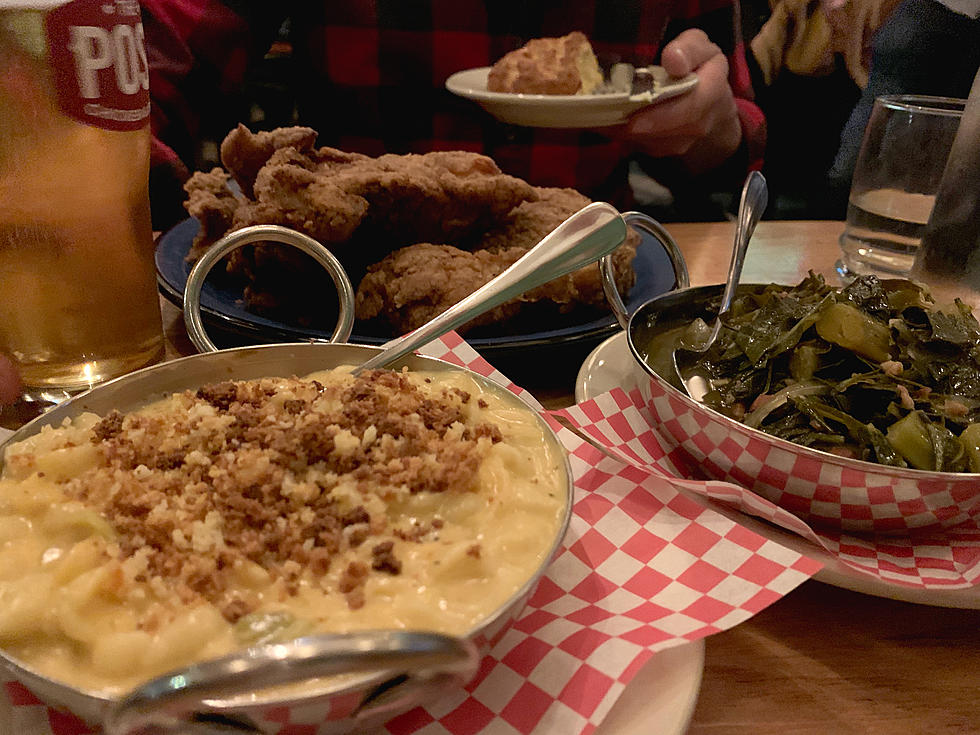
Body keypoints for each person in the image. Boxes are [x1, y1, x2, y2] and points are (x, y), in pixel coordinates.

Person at [140, 0, 766, 228]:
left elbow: (738, 149)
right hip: (336, 306)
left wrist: (711, 132)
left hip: (598, 295)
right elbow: (154, 67)